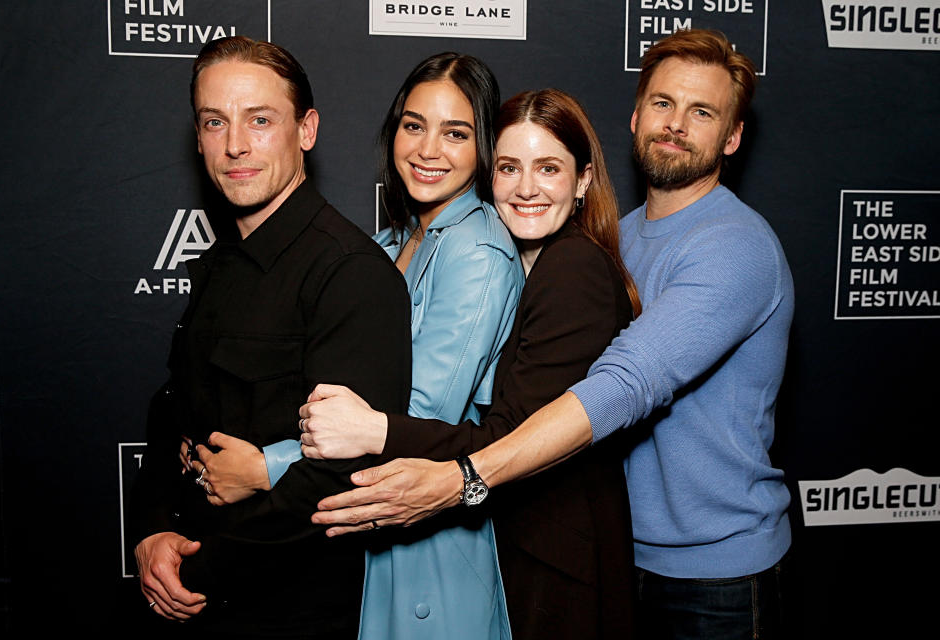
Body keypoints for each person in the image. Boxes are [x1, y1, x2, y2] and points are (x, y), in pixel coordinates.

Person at [311, 29, 795, 640]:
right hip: (620, 544)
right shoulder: (619, 236)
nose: (675, 124)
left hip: (711, 572)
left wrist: (461, 477)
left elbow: (624, 385)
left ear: (732, 136)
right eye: (663, 103)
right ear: (636, 114)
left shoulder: (732, 246)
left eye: (702, 111)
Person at [183, 52, 523, 640]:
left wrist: (267, 466)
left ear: (483, 146)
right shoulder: (391, 240)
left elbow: (420, 418)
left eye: (457, 132)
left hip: (425, 540)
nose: (428, 150)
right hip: (363, 530)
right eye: (414, 126)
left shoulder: (478, 250)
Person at [298, 88, 642, 639]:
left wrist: (374, 429)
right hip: (528, 551)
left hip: (556, 569)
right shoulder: (531, 268)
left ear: (581, 182)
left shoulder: (573, 266)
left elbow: (509, 437)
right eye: (509, 167)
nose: (526, 188)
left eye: (548, 168)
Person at [127, 36, 412, 638]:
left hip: (286, 610)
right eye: (215, 121)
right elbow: (171, 411)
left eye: (260, 120)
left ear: (306, 130)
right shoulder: (220, 261)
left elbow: (343, 481)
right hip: (192, 595)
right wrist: (152, 531)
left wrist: (196, 565)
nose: (235, 145)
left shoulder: (350, 274)